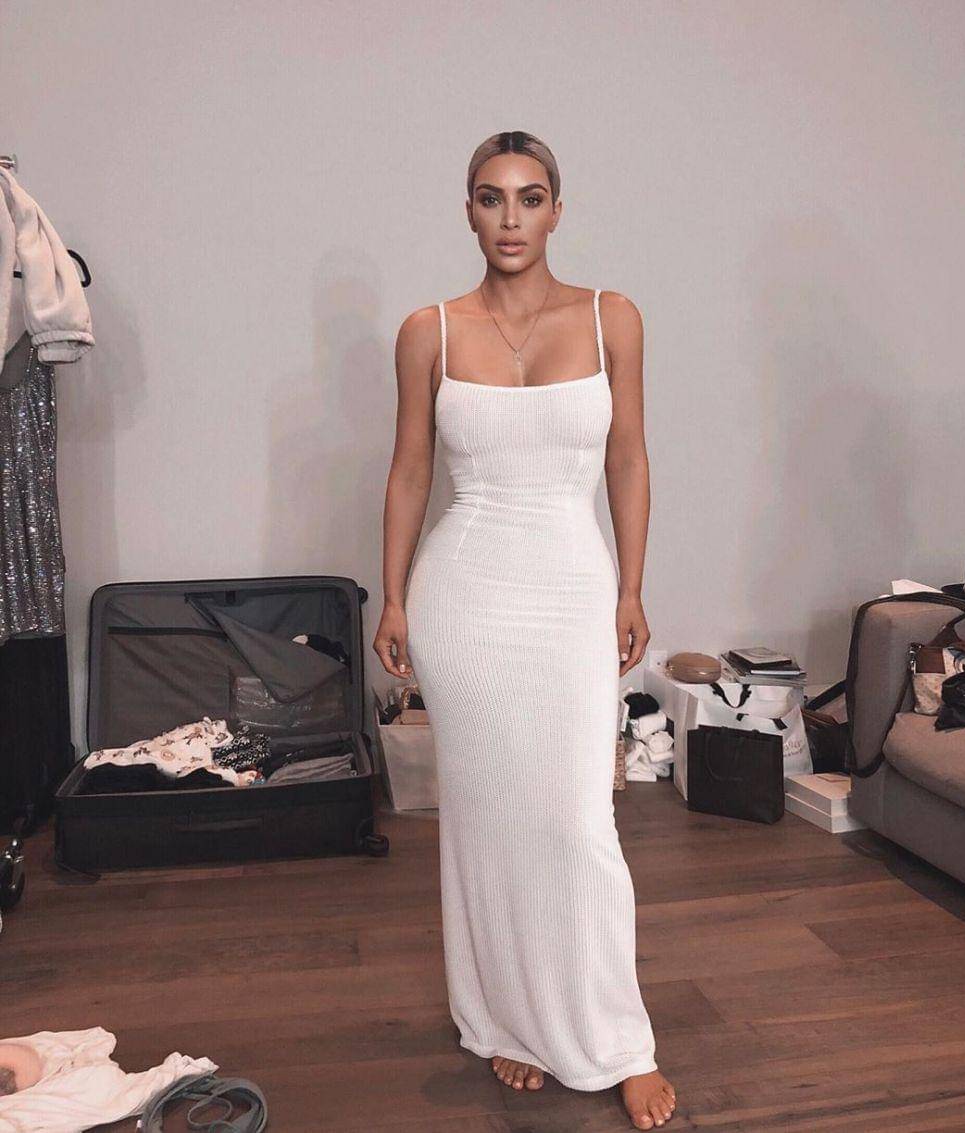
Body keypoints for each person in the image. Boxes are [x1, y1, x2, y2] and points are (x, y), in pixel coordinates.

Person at [374, 130, 676, 1130]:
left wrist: (631, 588)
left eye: (530, 197)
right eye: (491, 197)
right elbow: (410, 468)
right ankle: (505, 1016)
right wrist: (394, 598)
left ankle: (618, 1042)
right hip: (464, 595)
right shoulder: (428, 330)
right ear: (467, 209)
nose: (511, 218)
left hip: (572, 585)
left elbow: (628, 457)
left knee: (579, 820)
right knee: (488, 817)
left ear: (556, 209)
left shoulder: (610, 317)